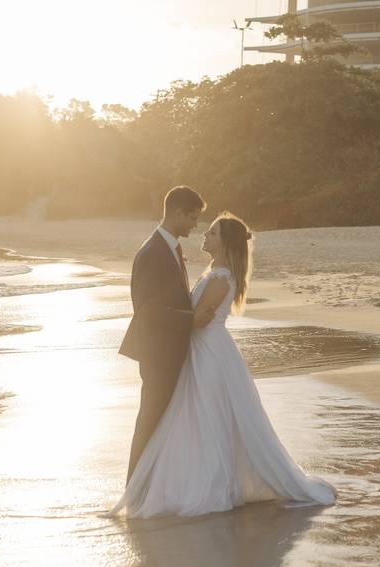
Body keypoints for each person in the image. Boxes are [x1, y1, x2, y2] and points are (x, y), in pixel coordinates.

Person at [111, 211, 337, 518]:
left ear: (225, 242)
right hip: (201, 350)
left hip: (209, 353)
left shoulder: (222, 276)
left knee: (207, 415)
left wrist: (169, 319)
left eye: (213, 233)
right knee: (197, 415)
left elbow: (202, 320)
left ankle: (211, 483)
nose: (205, 234)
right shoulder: (213, 271)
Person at [119, 186, 215, 484]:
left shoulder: (171, 246)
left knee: (164, 421)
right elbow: (147, 310)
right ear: (176, 213)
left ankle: (157, 484)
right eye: (192, 218)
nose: (195, 225)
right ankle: (134, 489)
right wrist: (192, 320)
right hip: (158, 353)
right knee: (150, 420)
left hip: (169, 351)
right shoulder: (152, 252)